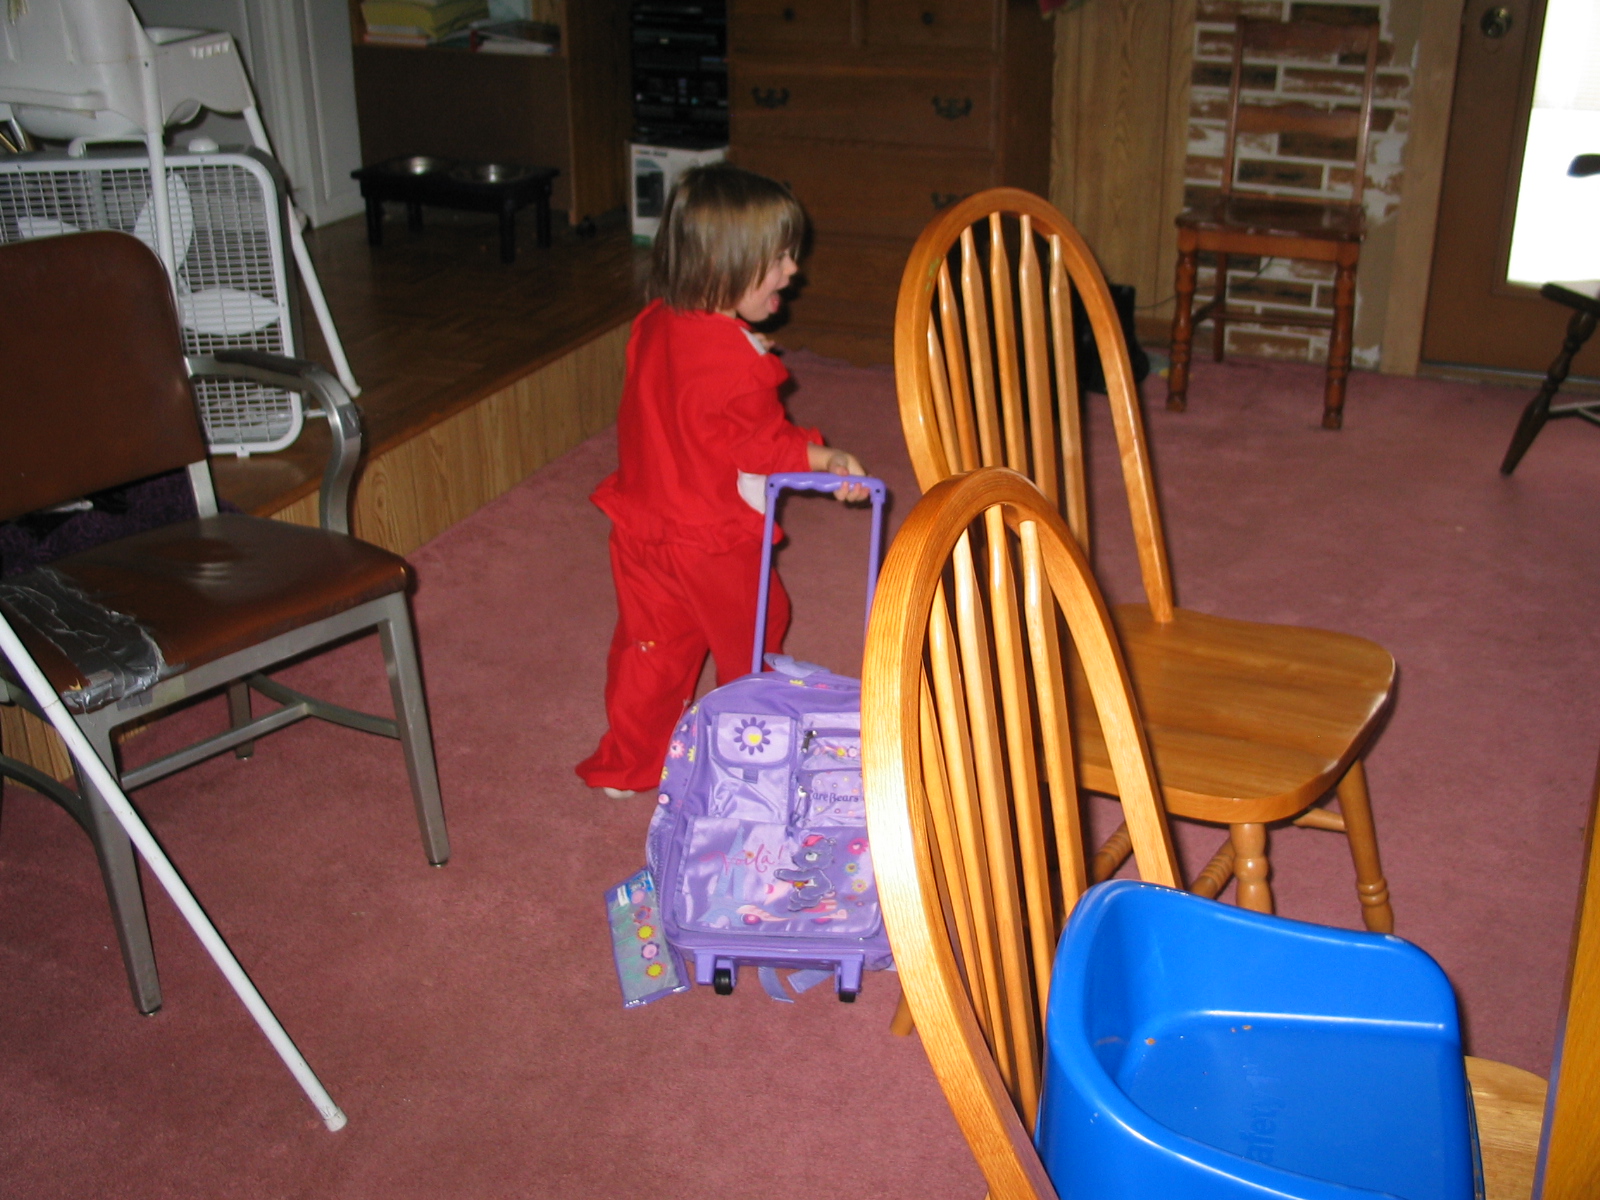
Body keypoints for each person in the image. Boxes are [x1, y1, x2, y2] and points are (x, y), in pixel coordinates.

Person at [575, 164, 867, 799]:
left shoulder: (653, 322)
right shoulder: (740, 363)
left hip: (642, 527)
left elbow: (678, 413)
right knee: (754, 638)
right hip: (713, 540)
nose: (793, 271)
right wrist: (828, 459)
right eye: (778, 259)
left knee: (651, 648)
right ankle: (748, 754)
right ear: (722, 266)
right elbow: (764, 448)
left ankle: (630, 764)